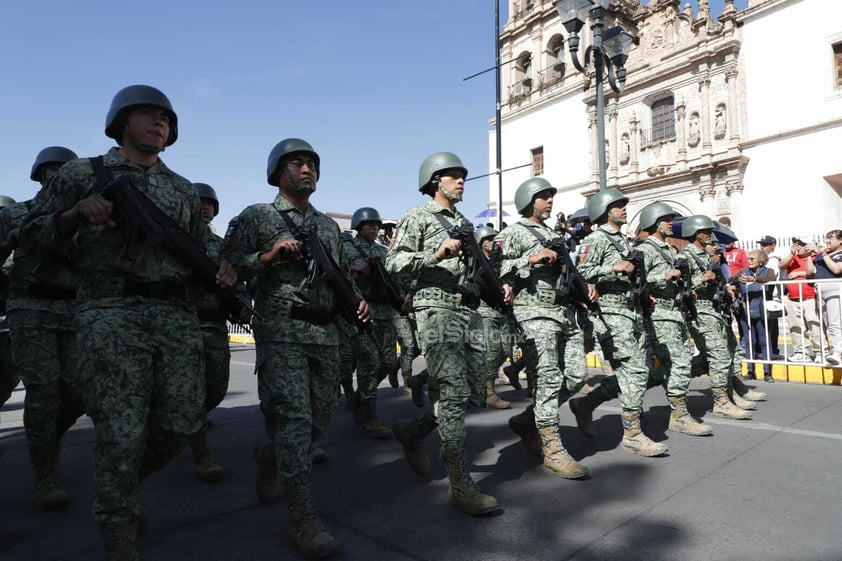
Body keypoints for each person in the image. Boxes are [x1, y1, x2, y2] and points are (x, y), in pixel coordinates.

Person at [22, 85, 236, 561]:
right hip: (110, 311)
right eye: (146, 113)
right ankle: (119, 536)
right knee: (122, 432)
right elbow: (29, 234)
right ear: (121, 120)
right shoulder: (84, 173)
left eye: (165, 117)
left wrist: (224, 267)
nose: (158, 122)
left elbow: (204, 247)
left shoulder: (181, 188)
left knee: (182, 424)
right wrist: (74, 214)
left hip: (176, 314)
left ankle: (117, 490)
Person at [223, 138, 369, 557]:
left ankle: (271, 455)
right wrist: (268, 256)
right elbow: (227, 266)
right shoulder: (258, 216)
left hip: (324, 335)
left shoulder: (327, 227)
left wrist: (356, 300)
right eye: (297, 163)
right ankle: (303, 520)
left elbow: (342, 277)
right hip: (282, 332)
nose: (307, 170)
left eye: (312, 164)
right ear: (278, 172)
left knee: (317, 421)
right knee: (293, 420)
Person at [386, 151, 500, 516]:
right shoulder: (417, 216)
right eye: (453, 175)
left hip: (467, 311)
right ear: (436, 181)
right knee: (452, 392)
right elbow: (393, 263)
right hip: (434, 309)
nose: (461, 180)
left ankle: (414, 431)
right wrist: (434, 254)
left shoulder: (465, 223)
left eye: (462, 175)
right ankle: (460, 484)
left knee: (470, 392)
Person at [0, 146, 84, 511]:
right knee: (44, 391)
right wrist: (10, 241)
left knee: (80, 392)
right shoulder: (15, 213)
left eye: (63, 171)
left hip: (75, 310)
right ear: (39, 175)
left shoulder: (87, 217)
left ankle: (44, 439)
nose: (56, 175)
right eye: (50, 170)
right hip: (30, 307)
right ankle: (45, 475)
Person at [496, 177, 588, 478]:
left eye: (551, 196)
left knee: (575, 377)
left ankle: (527, 420)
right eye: (543, 196)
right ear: (528, 200)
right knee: (547, 379)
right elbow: (495, 268)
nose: (550, 201)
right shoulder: (514, 232)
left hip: (562, 312)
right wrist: (531, 258)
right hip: (533, 313)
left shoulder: (553, 233)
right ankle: (552, 447)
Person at [576, 189, 668, 457]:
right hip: (610, 313)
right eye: (618, 205)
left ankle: (586, 404)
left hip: (632, 312)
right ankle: (632, 434)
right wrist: (613, 268)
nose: (624, 209)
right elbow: (581, 273)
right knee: (635, 371)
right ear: (606, 211)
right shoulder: (596, 238)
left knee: (632, 372)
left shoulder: (625, 241)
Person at [679, 216, 752, 418]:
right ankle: (721, 402)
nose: (710, 236)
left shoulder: (705, 257)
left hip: (713, 310)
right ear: (696, 234)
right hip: (699, 311)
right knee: (719, 356)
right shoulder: (685, 256)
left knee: (721, 356)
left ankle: (728, 395)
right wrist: (700, 279)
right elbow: (679, 287)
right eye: (706, 232)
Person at [186, 182, 233, 481]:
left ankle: (190, 422)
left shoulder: (221, 246)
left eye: (209, 203)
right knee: (191, 391)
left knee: (215, 388)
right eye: (199, 201)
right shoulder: (176, 236)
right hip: (184, 322)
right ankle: (201, 455)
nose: (205, 206)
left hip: (215, 322)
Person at [342, 206, 397, 438]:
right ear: (358, 227)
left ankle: (358, 398)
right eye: (369, 225)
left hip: (385, 312)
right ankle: (368, 417)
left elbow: (393, 276)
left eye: (376, 225)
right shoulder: (346, 247)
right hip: (360, 312)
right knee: (370, 363)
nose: (374, 228)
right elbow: (335, 272)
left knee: (388, 361)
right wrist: (354, 269)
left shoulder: (383, 251)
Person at [473, 225, 513, 410]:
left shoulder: (499, 261)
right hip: (484, 312)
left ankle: (481, 384)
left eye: (494, 239)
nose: (493, 243)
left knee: (506, 348)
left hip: (502, 311)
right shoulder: (475, 263)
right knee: (493, 350)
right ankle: (488, 391)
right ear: (481, 243)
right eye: (489, 240)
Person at [779, 238, 824, 363]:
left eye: (802, 244)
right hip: (793, 298)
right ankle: (801, 352)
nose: (798, 246)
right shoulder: (793, 257)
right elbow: (781, 265)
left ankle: (820, 351)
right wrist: (791, 253)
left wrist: (798, 274)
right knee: (795, 326)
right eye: (797, 244)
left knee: (814, 325)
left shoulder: (816, 257)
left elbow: (811, 273)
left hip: (810, 297)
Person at [736, 250, 777, 381]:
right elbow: (731, 280)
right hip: (747, 311)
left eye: (752, 259)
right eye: (748, 259)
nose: (749, 261)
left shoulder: (768, 271)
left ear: (761, 260)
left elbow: (770, 279)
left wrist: (754, 279)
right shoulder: (744, 271)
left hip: (762, 311)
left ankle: (767, 372)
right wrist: (737, 282)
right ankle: (750, 370)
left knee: (764, 340)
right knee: (749, 341)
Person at [813, 230, 842, 365]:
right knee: (828, 324)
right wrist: (809, 256)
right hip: (821, 292)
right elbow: (811, 271)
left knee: (836, 323)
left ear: (840, 240)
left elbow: (837, 269)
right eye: (826, 239)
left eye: (831, 239)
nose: (827, 242)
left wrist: (824, 254)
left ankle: (838, 352)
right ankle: (834, 350)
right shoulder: (823, 256)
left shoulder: (838, 254)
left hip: (835, 291)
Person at [757, 235, 782, 358]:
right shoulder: (763, 259)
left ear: (773, 245)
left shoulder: (773, 260)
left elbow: (771, 276)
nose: (762, 246)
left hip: (771, 295)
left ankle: (773, 351)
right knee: (765, 324)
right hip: (764, 294)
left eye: (765, 244)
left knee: (771, 324)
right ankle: (767, 350)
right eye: (761, 244)